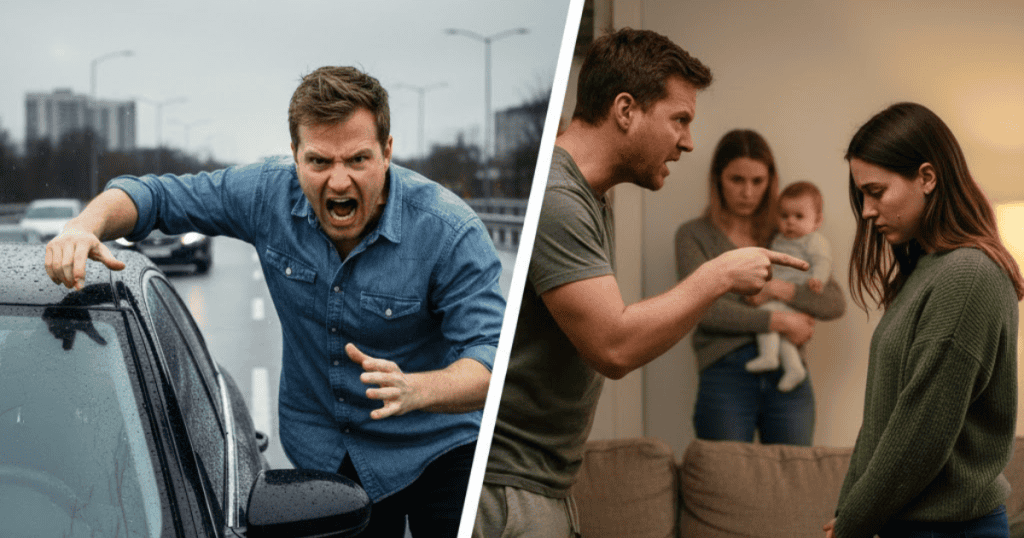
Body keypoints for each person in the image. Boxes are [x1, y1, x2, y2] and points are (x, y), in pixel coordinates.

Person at [44, 66, 505, 537]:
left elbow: (491, 355)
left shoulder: (449, 231)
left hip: (440, 449)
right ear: (295, 156)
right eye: (320, 162)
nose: (340, 182)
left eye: (358, 160)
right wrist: (85, 225)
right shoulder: (266, 193)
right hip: (329, 453)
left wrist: (417, 390)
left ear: (387, 153)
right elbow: (154, 196)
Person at [475, 29, 811, 538]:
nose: (688, 142)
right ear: (626, 109)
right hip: (507, 490)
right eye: (680, 119)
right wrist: (719, 273)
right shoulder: (559, 198)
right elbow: (614, 345)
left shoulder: (590, 195)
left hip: (537, 483)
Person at [823, 102, 1022, 538]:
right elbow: (884, 423)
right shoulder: (928, 270)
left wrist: (852, 524)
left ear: (927, 177)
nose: (868, 210)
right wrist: (848, 512)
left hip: (952, 530)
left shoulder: (968, 277)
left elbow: (919, 435)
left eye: (876, 192)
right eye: (862, 196)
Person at [675, 129, 845, 446]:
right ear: (717, 179)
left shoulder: (785, 233)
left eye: (758, 181)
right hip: (725, 373)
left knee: (791, 482)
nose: (748, 192)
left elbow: (833, 302)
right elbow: (703, 309)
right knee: (724, 481)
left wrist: (779, 290)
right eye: (736, 180)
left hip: (788, 374)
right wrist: (780, 321)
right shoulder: (694, 235)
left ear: (771, 182)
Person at [745, 181, 834, 392]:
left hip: (795, 299)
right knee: (783, 336)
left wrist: (818, 279)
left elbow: (823, 261)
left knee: (766, 314)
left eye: (799, 216)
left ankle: (768, 356)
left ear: (817, 220)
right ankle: (794, 368)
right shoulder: (778, 240)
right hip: (779, 297)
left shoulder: (814, 241)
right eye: (784, 216)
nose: (790, 222)